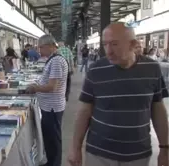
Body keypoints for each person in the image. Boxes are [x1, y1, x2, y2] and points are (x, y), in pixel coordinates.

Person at [68, 22, 169, 166]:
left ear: (133, 44)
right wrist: (75, 148)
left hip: (138, 155)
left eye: (114, 44)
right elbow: (84, 112)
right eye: (105, 44)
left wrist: (165, 148)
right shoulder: (96, 70)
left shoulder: (152, 69)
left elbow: (158, 109)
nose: (108, 51)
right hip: (99, 153)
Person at [26, 35, 68, 166]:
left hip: (52, 107)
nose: (39, 50)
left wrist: (35, 88)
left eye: (41, 47)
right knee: (50, 138)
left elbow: (52, 87)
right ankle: (51, 161)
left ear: (50, 46)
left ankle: (54, 163)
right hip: (50, 106)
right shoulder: (53, 59)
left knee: (53, 139)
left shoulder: (56, 61)